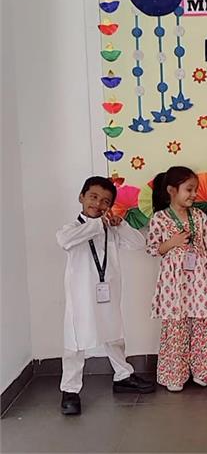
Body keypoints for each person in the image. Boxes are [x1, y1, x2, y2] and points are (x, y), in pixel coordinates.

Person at [57, 176, 154, 415]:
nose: (98, 204)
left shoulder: (111, 229)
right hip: (81, 297)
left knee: (115, 335)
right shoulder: (72, 229)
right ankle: (70, 389)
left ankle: (123, 376)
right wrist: (98, 224)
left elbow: (138, 243)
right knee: (75, 343)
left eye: (105, 201)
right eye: (93, 197)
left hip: (109, 293)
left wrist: (120, 225)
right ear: (81, 197)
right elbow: (64, 241)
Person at [146, 166, 207, 392]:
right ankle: (175, 375)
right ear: (172, 190)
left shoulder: (200, 217)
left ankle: (203, 370)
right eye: (189, 189)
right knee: (175, 327)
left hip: (200, 279)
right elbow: (152, 249)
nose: (194, 194)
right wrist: (172, 242)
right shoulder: (159, 218)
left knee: (205, 324)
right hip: (173, 282)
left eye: (195, 190)